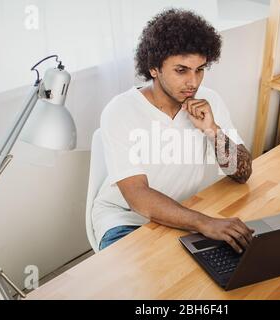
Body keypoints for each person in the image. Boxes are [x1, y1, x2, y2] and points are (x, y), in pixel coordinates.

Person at [92, 8, 253, 253]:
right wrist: (204, 222)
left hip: (181, 214)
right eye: (181, 70)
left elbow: (242, 173)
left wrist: (212, 130)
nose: (194, 82)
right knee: (139, 288)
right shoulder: (120, 110)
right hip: (125, 219)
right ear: (154, 68)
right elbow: (137, 195)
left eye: (199, 69)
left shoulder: (209, 102)